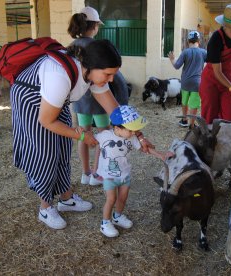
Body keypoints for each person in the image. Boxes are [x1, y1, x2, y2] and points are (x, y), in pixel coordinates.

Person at [10, 39, 151, 230]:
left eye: (113, 75)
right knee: (46, 153)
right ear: (91, 67)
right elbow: (46, 120)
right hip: (31, 101)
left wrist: (139, 136)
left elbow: (116, 113)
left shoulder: (91, 75)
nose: (110, 80)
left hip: (55, 100)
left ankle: (66, 199)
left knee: (63, 147)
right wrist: (83, 136)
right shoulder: (59, 76)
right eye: (108, 74)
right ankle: (45, 207)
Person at [68, 6, 129, 186]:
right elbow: (115, 77)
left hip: (80, 101)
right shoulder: (97, 47)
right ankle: (96, 173)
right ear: (94, 26)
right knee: (104, 135)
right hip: (98, 101)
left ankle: (85, 173)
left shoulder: (71, 46)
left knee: (83, 134)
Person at [95, 105, 171, 237]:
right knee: (111, 199)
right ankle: (105, 223)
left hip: (125, 174)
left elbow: (144, 148)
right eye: (131, 130)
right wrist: (95, 166)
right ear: (118, 128)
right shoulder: (104, 136)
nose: (134, 133)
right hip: (109, 176)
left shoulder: (131, 137)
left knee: (123, 198)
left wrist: (161, 155)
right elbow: (92, 141)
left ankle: (117, 216)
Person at [168, 31, 207, 129]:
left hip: (185, 82)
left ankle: (184, 120)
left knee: (184, 102)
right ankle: (192, 124)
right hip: (197, 83)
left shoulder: (185, 52)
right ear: (199, 41)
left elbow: (177, 66)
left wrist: (172, 59)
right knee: (194, 104)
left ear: (188, 41)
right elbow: (211, 64)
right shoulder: (203, 52)